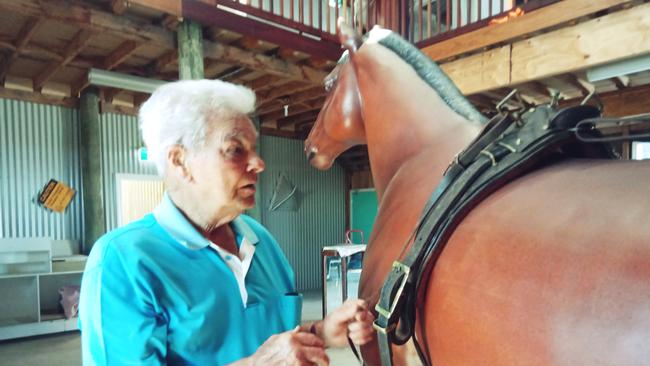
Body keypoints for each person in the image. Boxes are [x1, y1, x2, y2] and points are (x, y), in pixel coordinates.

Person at [78, 79, 375, 365]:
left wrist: (320, 332)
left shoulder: (260, 241)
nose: (258, 163)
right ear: (180, 161)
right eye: (235, 149)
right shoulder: (122, 263)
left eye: (253, 148)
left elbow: (272, 339)